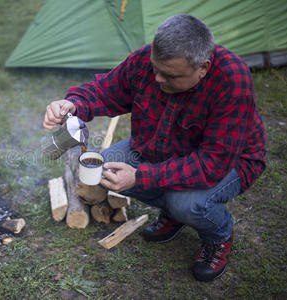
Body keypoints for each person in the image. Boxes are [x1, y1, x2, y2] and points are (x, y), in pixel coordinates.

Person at [42, 15, 266, 282]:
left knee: (187, 202)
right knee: (106, 165)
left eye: (169, 75)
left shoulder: (231, 80)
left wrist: (140, 176)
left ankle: (219, 235)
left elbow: (211, 164)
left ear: (202, 68)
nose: (157, 77)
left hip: (230, 162)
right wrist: (73, 104)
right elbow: (106, 90)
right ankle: (174, 214)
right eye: (155, 68)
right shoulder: (146, 61)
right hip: (165, 147)